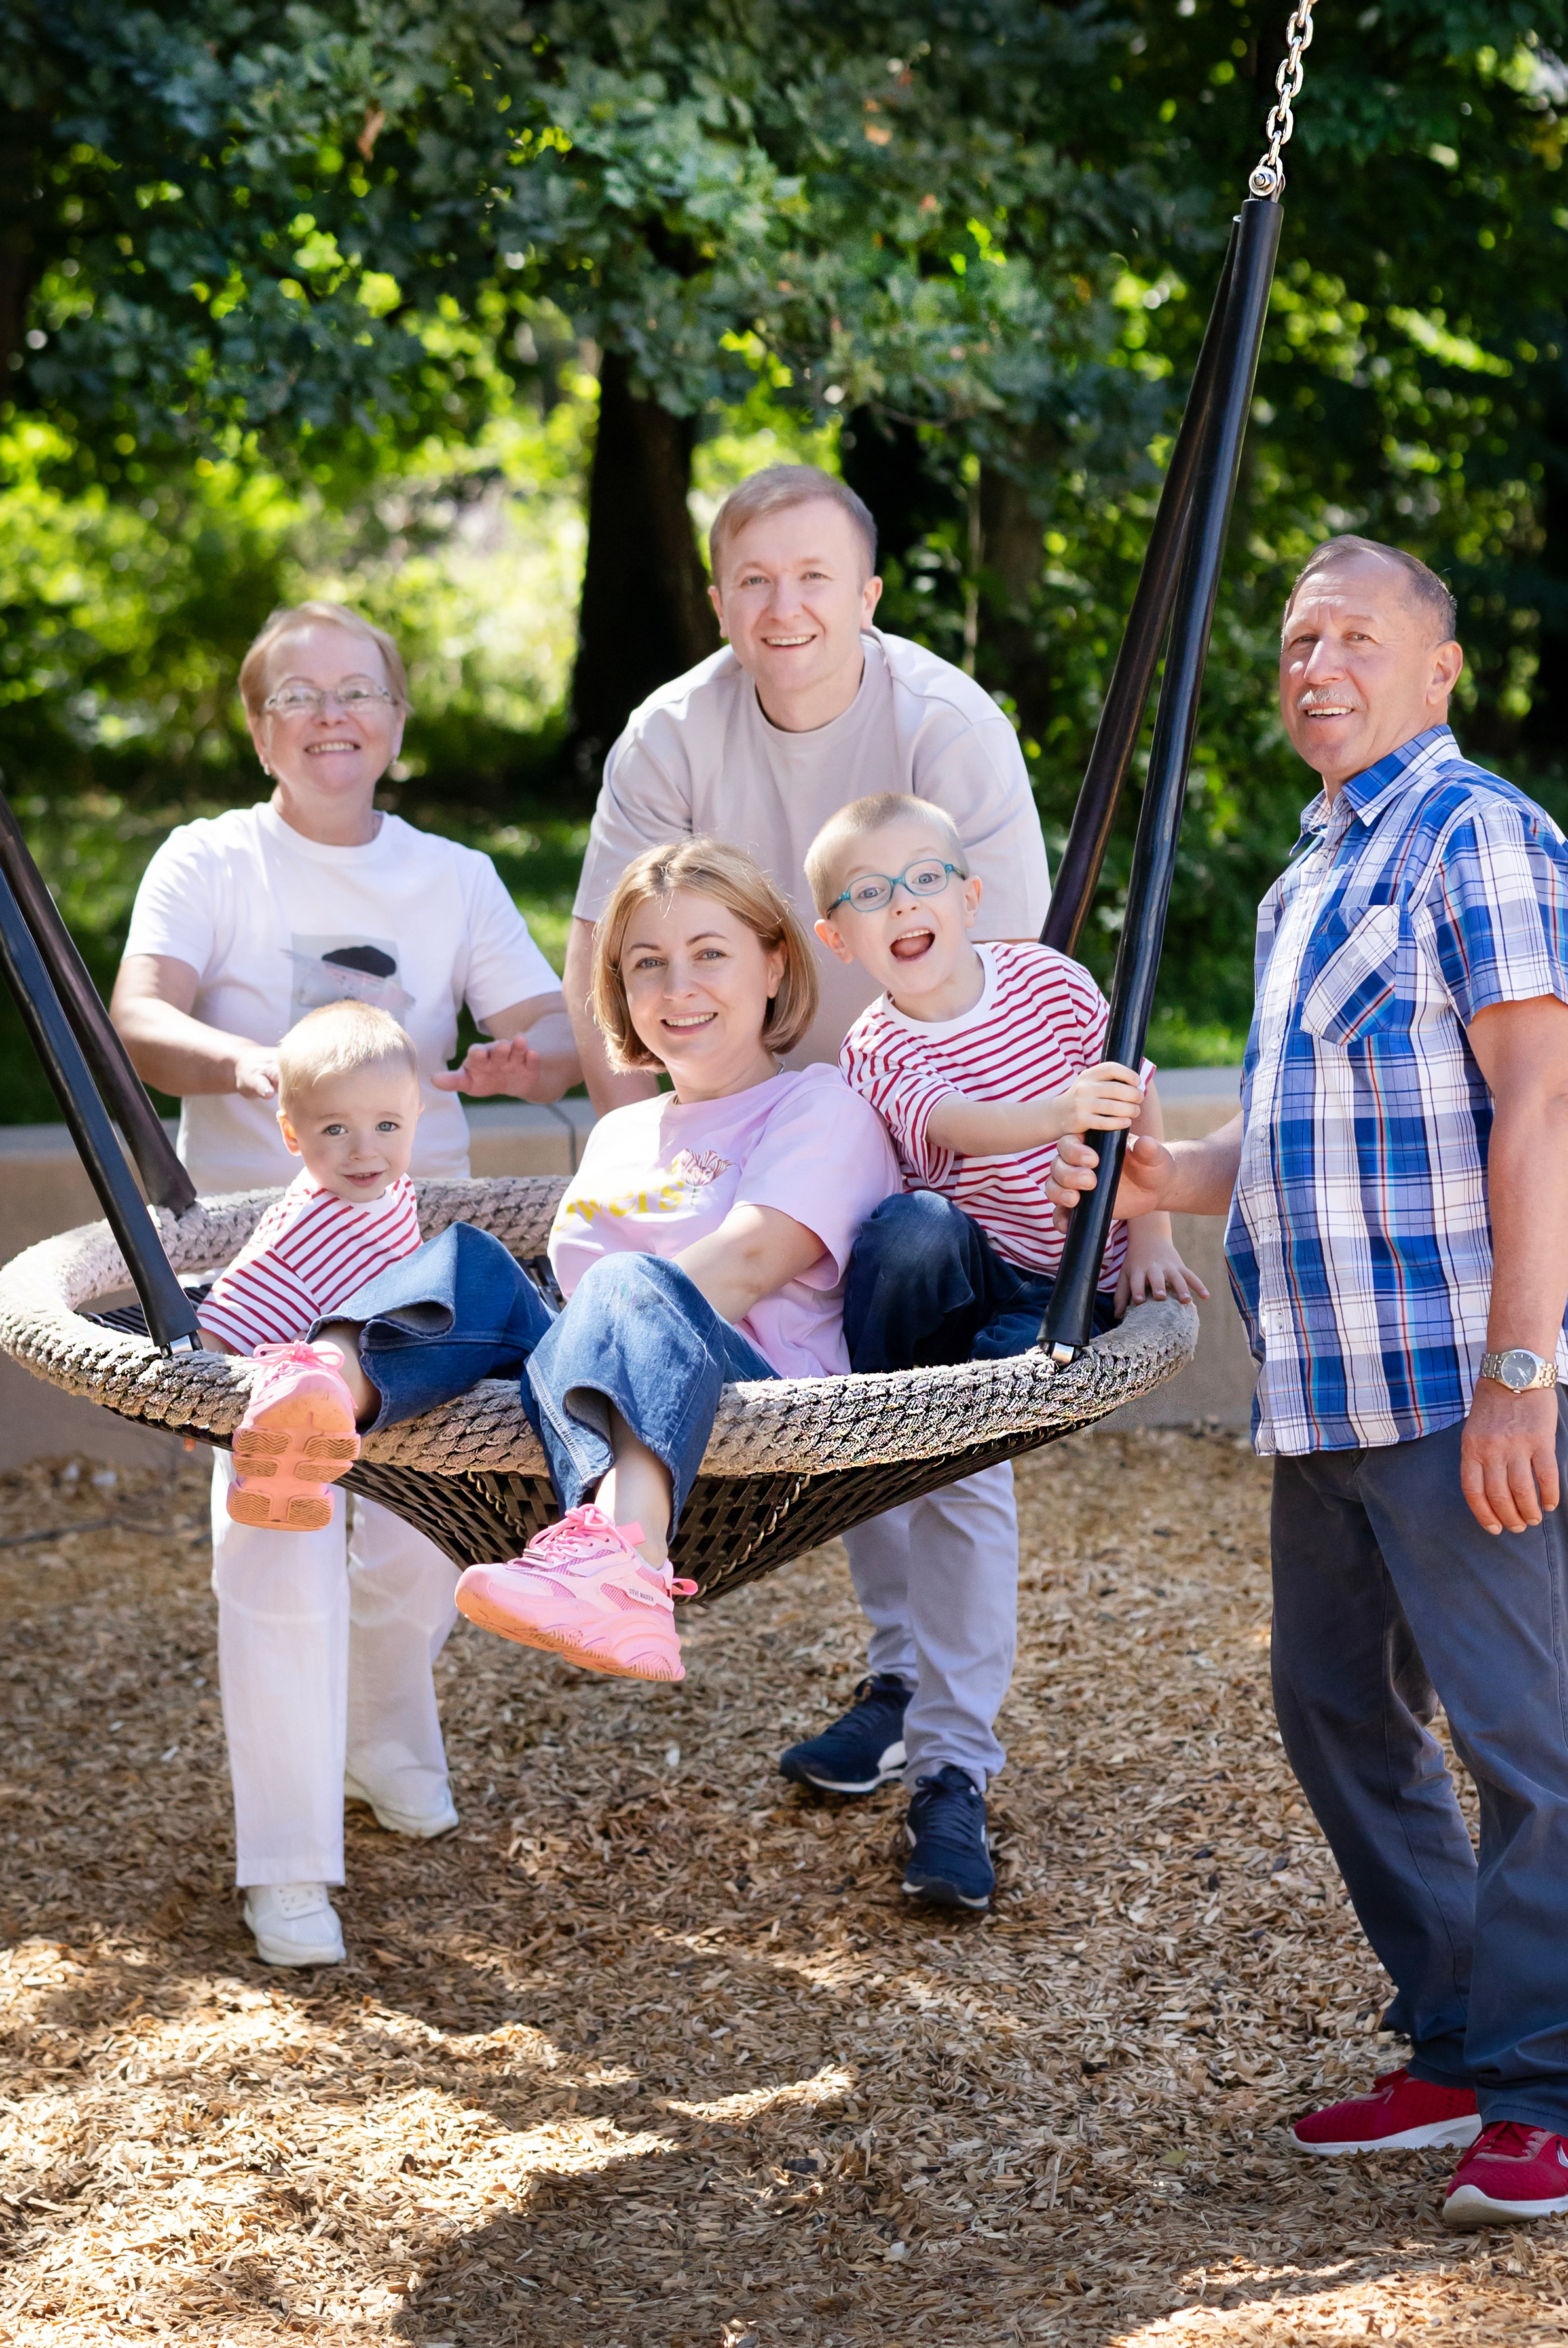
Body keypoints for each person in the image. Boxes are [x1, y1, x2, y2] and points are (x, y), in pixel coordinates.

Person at [1046, 535, 1568, 2228]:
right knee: (1334, 1707)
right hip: (1329, 1389)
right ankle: (1457, 2036)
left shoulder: (1477, 835)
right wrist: (1169, 1180)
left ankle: (1545, 2097)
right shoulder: (1307, 878)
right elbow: (1302, 1126)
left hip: (1460, 1376)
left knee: (1522, 1742)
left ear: (1439, 669)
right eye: (1298, 642)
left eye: (1356, 637)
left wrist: (1519, 1372)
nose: (1316, 666)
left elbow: (1543, 1101)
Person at [565, 463, 1051, 1909]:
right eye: (755, 580)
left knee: (934, 1411)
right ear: (719, 599)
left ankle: (954, 1759)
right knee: (826, 1401)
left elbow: (1013, 972)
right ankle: (897, 1681)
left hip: (935, 1130)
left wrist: (1100, 1204)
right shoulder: (674, 729)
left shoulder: (943, 724)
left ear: (868, 594)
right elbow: (609, 953)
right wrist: (650, 1151)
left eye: (814, 577)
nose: (785, 607)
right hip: (755, 1115)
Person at [112, 599, 580, 1968]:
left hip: (414, 1268)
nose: (332, 715)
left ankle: (382, 1734)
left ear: (396, 721)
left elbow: (548, 1027)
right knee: (281, 1533)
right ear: (261, 730)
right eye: (299, 695)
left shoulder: (452, 874)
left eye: (358, 691)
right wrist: (250, 1063)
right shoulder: (211, 858)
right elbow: (140, 1018)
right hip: (257, 1256)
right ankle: (287, 1862)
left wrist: (527, 1057)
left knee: (424, 1539)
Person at [309, 840, 900, 1695]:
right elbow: (571, 1300)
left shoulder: (821, 1106)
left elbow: (746, 1264)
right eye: (647, 963)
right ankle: (320, 1394)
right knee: (470, 1259)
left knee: (629, 1280)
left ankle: (627, 1563)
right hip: (591, 1398)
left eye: (709, 954)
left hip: (750, 1407)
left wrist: (587, 1321)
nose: (677, 987)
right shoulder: (622, 1134)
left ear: (775, 963)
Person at [807, 791, 1206, 1370]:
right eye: (869, 892)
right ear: (837, 940)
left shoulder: (1049, 980)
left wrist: (1153, 1239)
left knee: (1026, 1366)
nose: (902, 903)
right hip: (964, 1279)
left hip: (1077, 1279)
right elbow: (955, 1125)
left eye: (925, 877)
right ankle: (876, 1398)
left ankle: (978, 1395)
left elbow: (1133, 1092)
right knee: (913, 1228)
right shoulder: (873, 1047)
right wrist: (1062, 1111)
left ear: (969, 900)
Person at [198, 1001, 424, 1532]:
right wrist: (193, 1394)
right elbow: (235, 1304)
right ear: (292, 1134)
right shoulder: (301, 1228)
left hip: (385, 1396)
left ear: (417, 1117)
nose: (365, 1151)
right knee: (288, 1544)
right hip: (298, 1403)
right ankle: (279, 1482)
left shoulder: (398, 1192)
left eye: (387, 1125)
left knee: (406, 1534)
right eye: (336, 1129)